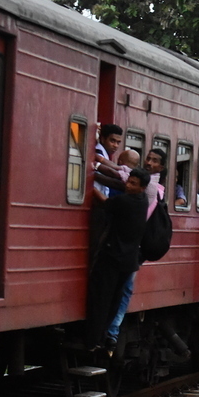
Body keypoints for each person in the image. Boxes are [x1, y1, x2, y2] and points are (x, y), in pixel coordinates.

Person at [85, 168, 149, 350]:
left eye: (133, 184)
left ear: (142, 187)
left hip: (113, 258)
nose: (128, 185)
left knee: (101, 299)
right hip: (129, 262)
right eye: (129, 181)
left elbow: (105, 202)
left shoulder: (125, 201)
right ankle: (104, 336)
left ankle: (92, 341)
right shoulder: (142, 200)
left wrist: (89, 185)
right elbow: (119, 185)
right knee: (115, 301)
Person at [93, 124, 123, 199]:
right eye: (112, 141)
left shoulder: (104, 155)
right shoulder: (98, 153)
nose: (115, 145)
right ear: (103, 139)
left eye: (118, 142)